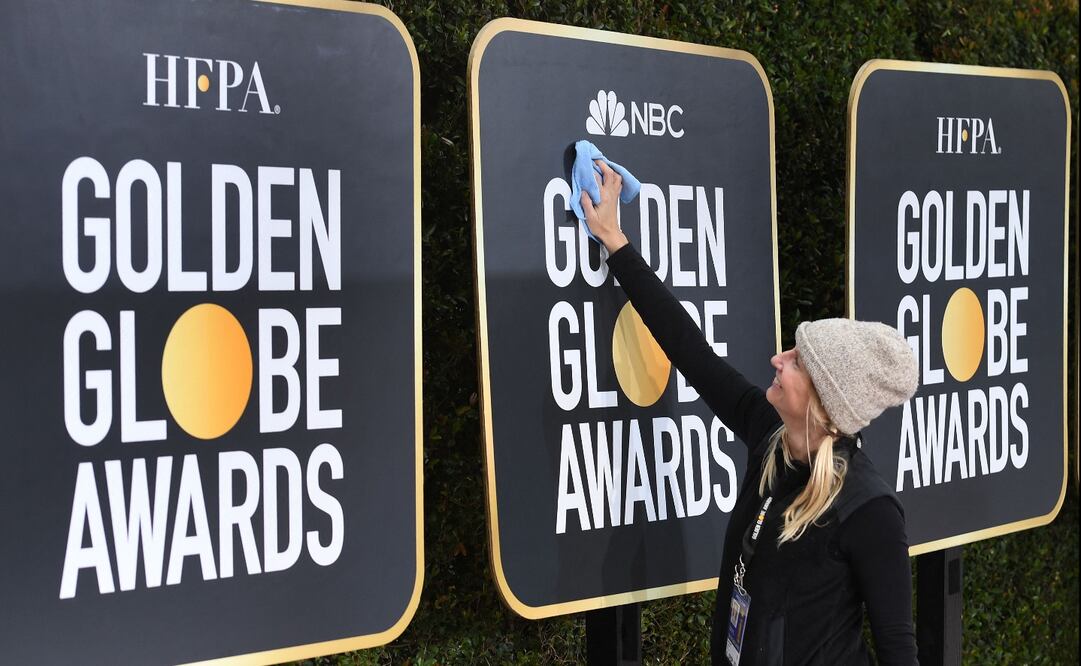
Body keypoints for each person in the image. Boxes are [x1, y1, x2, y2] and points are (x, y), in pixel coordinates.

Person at [579, 161, 920, 665]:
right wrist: (615, 242)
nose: (777, 361)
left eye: (797, 361)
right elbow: (689, 349)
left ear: (826, 401)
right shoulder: (771, 436)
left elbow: (899, 652)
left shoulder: (868, 511)